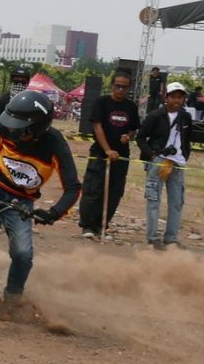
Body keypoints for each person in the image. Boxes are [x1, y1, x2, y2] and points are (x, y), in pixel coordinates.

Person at [0, 90, 81, 316]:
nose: (13, 131)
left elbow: (73, 187)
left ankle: (12, 298)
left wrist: (53, 213)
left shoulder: (55, 143)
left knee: (23, 254)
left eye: (20, 128)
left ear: (38, 127)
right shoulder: (7, 127)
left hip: (20, 201)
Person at [78, 70, 140, 239]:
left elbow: (133, 128)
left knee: (114, 192)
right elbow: (97, 127)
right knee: (93, 189)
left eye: (124, 87)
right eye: (117, 86)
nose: (120, 89)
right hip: (100, 153)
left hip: (121, 156)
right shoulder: (101, 102)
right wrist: (107, 150)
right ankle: (88, 225)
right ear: (112, 85)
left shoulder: (131, 107)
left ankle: (102, 225)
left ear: (129, 88)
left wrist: (128, 136)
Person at [135, 82, 192, 250]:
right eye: (173, 96)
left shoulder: (186, 117)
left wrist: (185, 156)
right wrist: (152, 155)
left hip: (178, 162)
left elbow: (188, 139)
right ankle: (153, 238)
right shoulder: (155, 115)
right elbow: (140, 138)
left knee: (177, 201)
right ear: (166, 97)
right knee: (153, 200)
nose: (177, 100)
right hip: (158, 161)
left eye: (180, 97)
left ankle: (171, 238)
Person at [0, 66, 30, 139]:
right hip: (5, 139)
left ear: (27, 82)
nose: (19, 85)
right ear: (12, 81)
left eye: (23, 82)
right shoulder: (1, 101)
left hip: (24, 140)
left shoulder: (31, 102)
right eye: (16, 81)